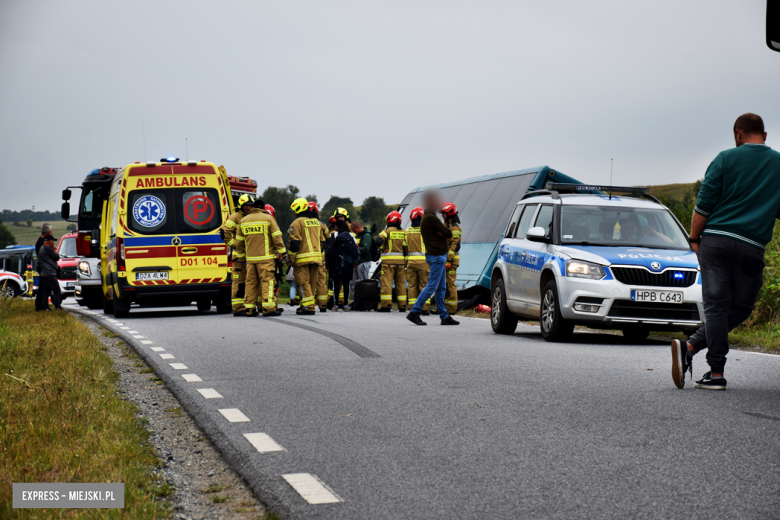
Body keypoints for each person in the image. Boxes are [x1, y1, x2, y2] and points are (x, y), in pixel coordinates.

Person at [671, 113, 780, 390]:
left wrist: (695, 240)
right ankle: (695, 351)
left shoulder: (724, 158)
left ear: (738, 134)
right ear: (765, 136)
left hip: (716, 241)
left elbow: (703, 206)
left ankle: (708, 365)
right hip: (751, 247)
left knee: (716, 306)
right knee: (741, 308)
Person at [406, 191, 459, 326]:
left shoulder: (429, 217)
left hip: (437, 256)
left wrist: (441, 233)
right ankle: (414, 312)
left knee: (441, 288)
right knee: (431, 286)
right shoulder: (431, 218)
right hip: (436, 256)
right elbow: (448, 233)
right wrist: (443, 233)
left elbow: (445, 233)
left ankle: (444, 316)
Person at [236, 199, 287, 317]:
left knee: (250, 283)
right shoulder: (269, 219)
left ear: (253, 207)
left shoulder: (243, 220)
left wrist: (242, 258)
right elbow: (277, 238)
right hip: (266, 259)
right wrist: (283, 253)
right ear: (263, 208)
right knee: (267, 282)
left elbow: (239, 243)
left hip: (250, 260)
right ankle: (268, 308)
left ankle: (249, 309)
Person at [288, 198, 327, 315]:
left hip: (302, 259)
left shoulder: (297, 222)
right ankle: (305, 305)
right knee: (312, 283)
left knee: (302, 283)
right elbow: (323, 241)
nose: (294, 213)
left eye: (294, 210)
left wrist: (290, 257)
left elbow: (294, 243)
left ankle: (308, 307)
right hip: (316, 258)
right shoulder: (316, 222)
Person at [220, 195, 255, 316]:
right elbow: (224, 232)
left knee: (251, 281)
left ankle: (250, 305)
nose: (248, 208)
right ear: (241, 206)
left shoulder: (253, 217)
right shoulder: (235, 217)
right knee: (239, 281)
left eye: (250, 205)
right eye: (246, 205)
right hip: (238, 257)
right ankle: (238, 308)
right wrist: (234, 245)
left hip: (252, 256)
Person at [376, 211, 407, 312]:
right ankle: (402, 306)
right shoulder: (404, 232)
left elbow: (378, 241)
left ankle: (386, 306)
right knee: (401, 284)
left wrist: (383, 247)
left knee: (386, 284)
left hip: (388, 263)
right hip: (401, 263)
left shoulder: (387, 230)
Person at [327, 220, 360, 311]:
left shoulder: (335, 235)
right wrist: (354, 261)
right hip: (348, 263)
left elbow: (332, 250)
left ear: (338, 226)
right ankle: (346, 305)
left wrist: (329, 263)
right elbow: (356, 248)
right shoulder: (351, 235)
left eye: (335, 225)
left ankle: (336, 305)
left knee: (336, 285)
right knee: (346, 284)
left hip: (337, 263)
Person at [404, 207, 430, 315]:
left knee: (412, 286)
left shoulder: (407, 232)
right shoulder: (426, 231)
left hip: (410, 263)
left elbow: (404, 249)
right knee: (424, 285)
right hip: (424, 262)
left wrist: (406, 262)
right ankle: (424, 308)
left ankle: (413, 308)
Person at [309, 201, 331, 312]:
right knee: (321, 281)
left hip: (307, 255)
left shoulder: (303, 223)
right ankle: (323, 305)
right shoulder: (322, 224)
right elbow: (329, 239)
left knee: (309, 281)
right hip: (320, 256)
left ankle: (309, 304)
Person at [441, 202, 462, 315]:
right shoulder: (446, 226)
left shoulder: (454, 227)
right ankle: (444, 307)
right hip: (445, 259)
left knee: (450, 283)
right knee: (444, 285)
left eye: (444, 213)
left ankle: (451, 309)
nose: (442, 215)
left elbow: (455, 245)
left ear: (449, 214)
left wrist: (449, 260)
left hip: (451, 261)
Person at [37, 234, 62, 311]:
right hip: (50, 273)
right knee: (56, 290)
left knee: (46, 291)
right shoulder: (47, 249)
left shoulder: (41, 249)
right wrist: (55, 249)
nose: (53, 243)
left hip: (44, 273)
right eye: (52, 241)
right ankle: (57, 306)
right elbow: (57, 257)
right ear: (49, 241)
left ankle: (46, 307)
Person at [34, 224, 53, 310]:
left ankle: (40, 305)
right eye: (51, 232)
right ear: (48, 232)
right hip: (43, 266)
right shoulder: (42, 242)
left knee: (43, 286)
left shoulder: (39, 241)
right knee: (44, 287)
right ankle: (41, 305)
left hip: (41, 266)